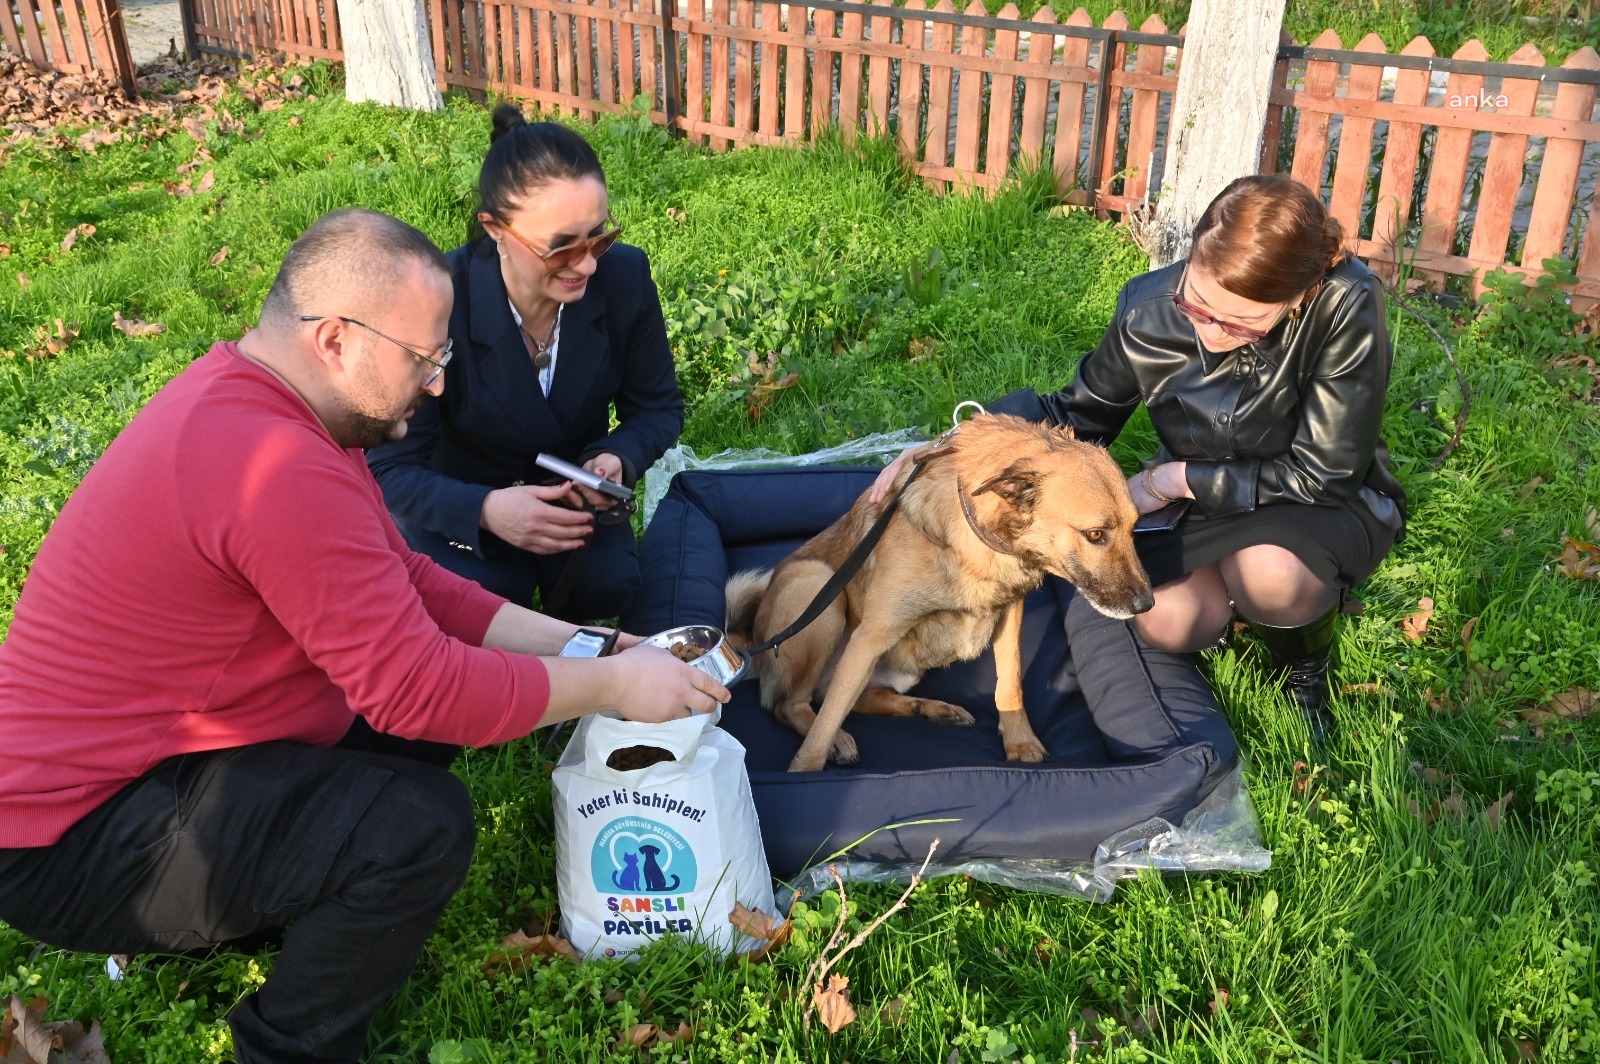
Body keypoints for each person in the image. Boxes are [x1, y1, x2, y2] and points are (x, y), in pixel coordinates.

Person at [0, 209, 727, 1064]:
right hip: (72, 837)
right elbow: (421, 690)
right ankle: (285, 1049)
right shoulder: (272, 465)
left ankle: (270, 900)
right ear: (337, 339)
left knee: (408, 743)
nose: (438, 385)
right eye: (424, 359)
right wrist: (616, 689)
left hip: (162, 760)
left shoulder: (281, 405)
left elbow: (408, 583)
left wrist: (589, 647)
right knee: (416, 825)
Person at [874, 175, 1405, 739]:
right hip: (1203, 503)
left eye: (1242, 323)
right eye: (1197, 304)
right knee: (1169, 619)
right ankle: (1229, 616)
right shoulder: (1147, 309)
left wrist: (1174, 479)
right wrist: (954, 444)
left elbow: (1327, 471)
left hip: (1313, 495)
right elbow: (1077, 413)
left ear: (1297, 298)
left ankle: (1303, 670)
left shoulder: (1347, 301)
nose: (1212, 332)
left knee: (1271, 574)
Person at [367, 105, 682, 624]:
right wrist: (486, 510)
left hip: (572, 509)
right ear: (494, 229)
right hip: (460, 510)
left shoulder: (624, 279)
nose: (587, 265)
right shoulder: (439, 301)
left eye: (600, 237)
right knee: (480, 606)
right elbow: (390, 468)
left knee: (609, 587)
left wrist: (614, 459)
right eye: (560, 250)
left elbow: (658, 407)